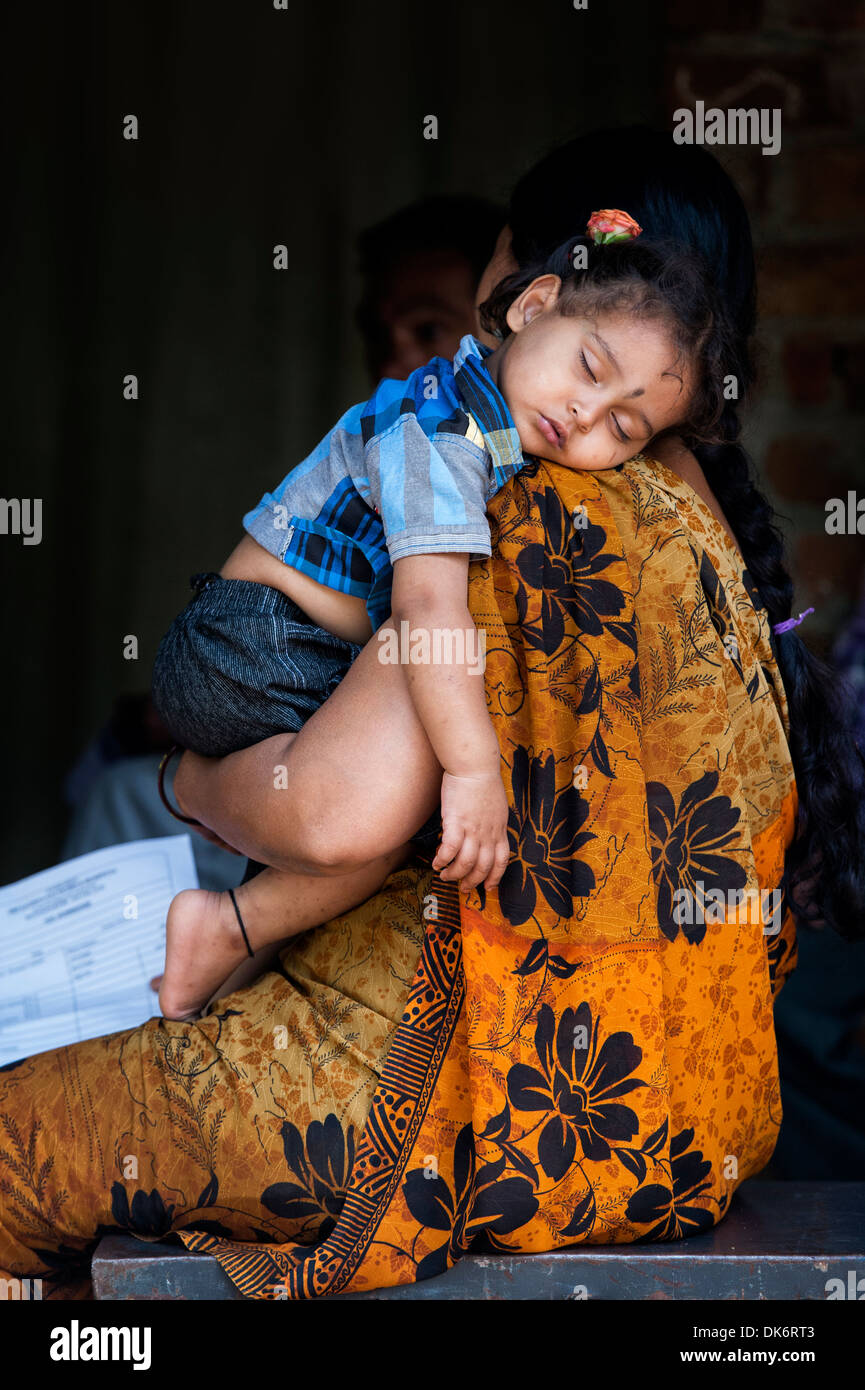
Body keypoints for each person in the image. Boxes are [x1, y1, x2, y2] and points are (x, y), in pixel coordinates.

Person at [3, 128, 864, 1304]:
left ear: (531, 274)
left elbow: (344, 811)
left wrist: (189, 788)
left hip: (433, 1106)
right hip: (661, 1134)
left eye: (623, 407)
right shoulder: (715, 549)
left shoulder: (529, 492)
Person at [150, 215, 736, 1020]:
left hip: (315, 666)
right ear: (533, 307)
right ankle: (209, 846)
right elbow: (426, 609)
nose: (584, 413)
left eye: (623, 428)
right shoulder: (441, 425)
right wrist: (474, 772)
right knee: (417, 768)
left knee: (412, 809)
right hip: (253, 647)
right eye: (588, 367)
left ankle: (221, 940)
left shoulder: (509, 443)